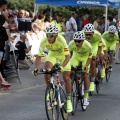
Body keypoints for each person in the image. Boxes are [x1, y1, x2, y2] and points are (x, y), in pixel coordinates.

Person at [32, 24, 73, 113]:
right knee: (47, 71)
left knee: (66, 77)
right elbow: (38, 56)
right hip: (52, 55)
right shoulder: (44, 41)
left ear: (56, 35)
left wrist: (62, 67)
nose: (48, 38)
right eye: (47, 35)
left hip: (63, 56)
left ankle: (69, 100)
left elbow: (68, 56)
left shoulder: (62, 40)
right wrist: (36, 68)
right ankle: (50, 89)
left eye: (51, 36)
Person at [69, 31, 92, 106]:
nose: (77, 43)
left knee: (85, 75)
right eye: (75, 41)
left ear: (83, 40)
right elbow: (66, 55)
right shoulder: (71, 44)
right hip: (76, 56)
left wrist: (86, 65)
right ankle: (73, 82)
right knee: (70, 70)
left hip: (85, 57)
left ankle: (86, 96)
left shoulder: (88, 45)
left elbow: (90, 57)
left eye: (79, 41)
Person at [84, 23, 102, 92]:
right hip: (85, 46)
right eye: (86, 34)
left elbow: (100, 47)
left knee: (93, 62)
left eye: (90, 34)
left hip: (94, 46)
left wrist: (97, 55)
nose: (88, 36)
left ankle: (92, 80)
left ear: (93, 33)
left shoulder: (98, 35)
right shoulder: (82, 34)